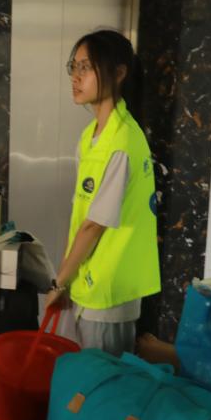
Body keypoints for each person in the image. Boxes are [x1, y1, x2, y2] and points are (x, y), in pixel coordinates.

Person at [46, 29, 160, 356]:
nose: (76, 77)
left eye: (86, 67)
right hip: (88, 281)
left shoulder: (122, 141)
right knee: (85, 379)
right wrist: (67, 278)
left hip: (110, 289)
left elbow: (94, 225)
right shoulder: (92, 136)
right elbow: (82, 217)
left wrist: (59, 281)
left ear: (119, 73)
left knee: (102, 381)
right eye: (74, 66)